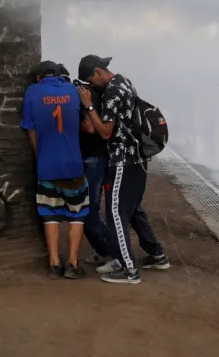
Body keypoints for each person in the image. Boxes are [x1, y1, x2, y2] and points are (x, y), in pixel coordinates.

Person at [77, 55, 169, 285]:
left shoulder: (111, 92)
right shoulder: (125, 81)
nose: (91, 86)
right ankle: (156, 255)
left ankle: (129, 271)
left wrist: (88, 105)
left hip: (122, 160)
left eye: (91, 80)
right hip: (137, 159)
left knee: (116, 214)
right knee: (133, 209)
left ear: (98, 71)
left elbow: (106, 132)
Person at [22, 60, 89, 280]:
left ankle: (53, 264)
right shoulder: (72, 90)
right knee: (77, 215)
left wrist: (39, 156)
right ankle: (72, 264)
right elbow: (85, 125)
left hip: (47, 166)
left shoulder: (32, 92)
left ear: (39, 78)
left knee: (49, 215)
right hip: (74, 166)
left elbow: (30, 131)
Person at [75, 78, 113, 266]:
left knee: (88, 212)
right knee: (87, 210)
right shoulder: (99, 94)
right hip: (94, 159)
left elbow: (90, 128)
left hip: (93, 159)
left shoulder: (85, 98)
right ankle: (106, 252)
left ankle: (115, 253)